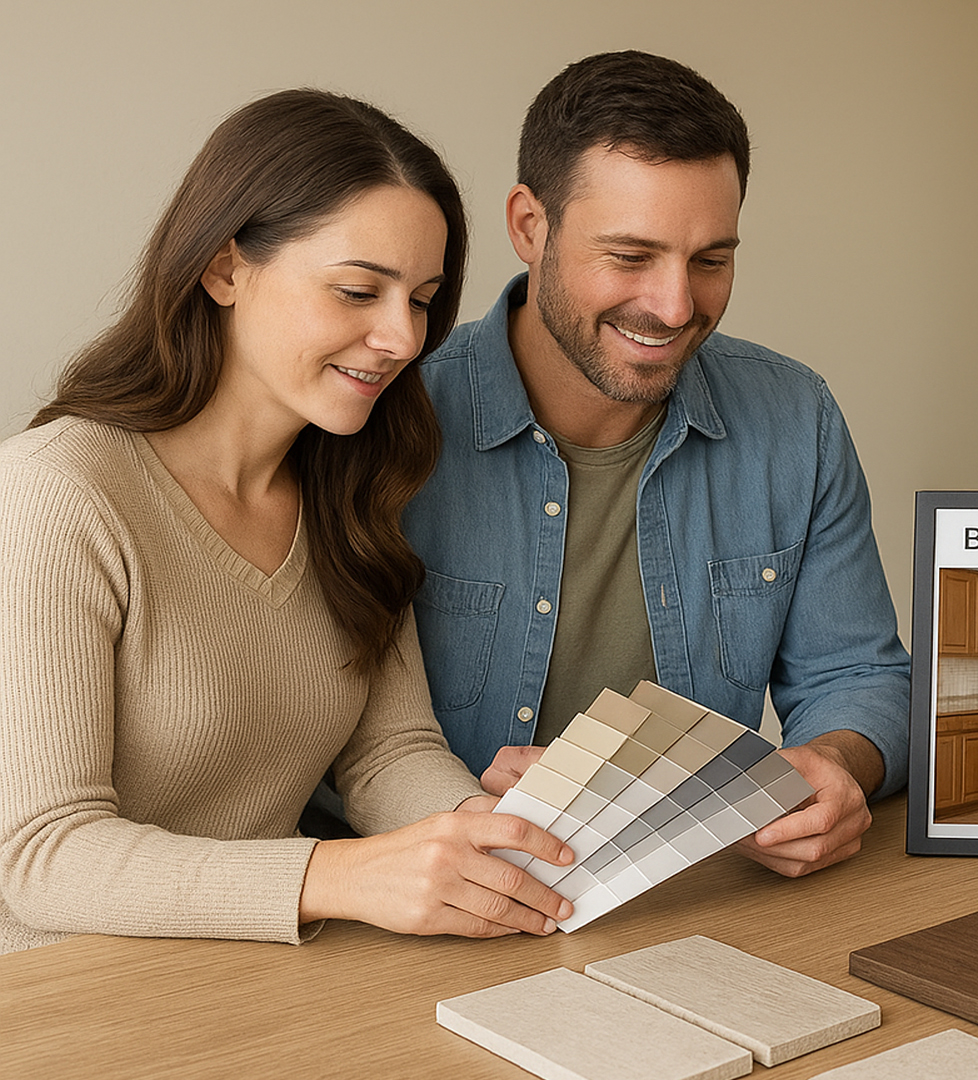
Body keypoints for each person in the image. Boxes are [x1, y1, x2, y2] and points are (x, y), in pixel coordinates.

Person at [0, 89, 577, 954]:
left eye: (420, 300)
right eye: (357, 290)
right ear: (225, 269)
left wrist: (491, 837)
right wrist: (337, 876)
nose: (400, 337)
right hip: (61, 1005)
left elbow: (390, 754)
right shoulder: (60, 493)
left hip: (259, 986)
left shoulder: (350, 490)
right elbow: (43, 855)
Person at [403, 51, 910, 878]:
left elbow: (859, 675)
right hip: (430, 916)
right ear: (530, 225)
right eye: (631, 256)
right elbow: (319, 739)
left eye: (711, 260)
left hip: (689, 902)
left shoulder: (795, 418)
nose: (676, 307)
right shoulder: (390, 421)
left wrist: (838, 767)